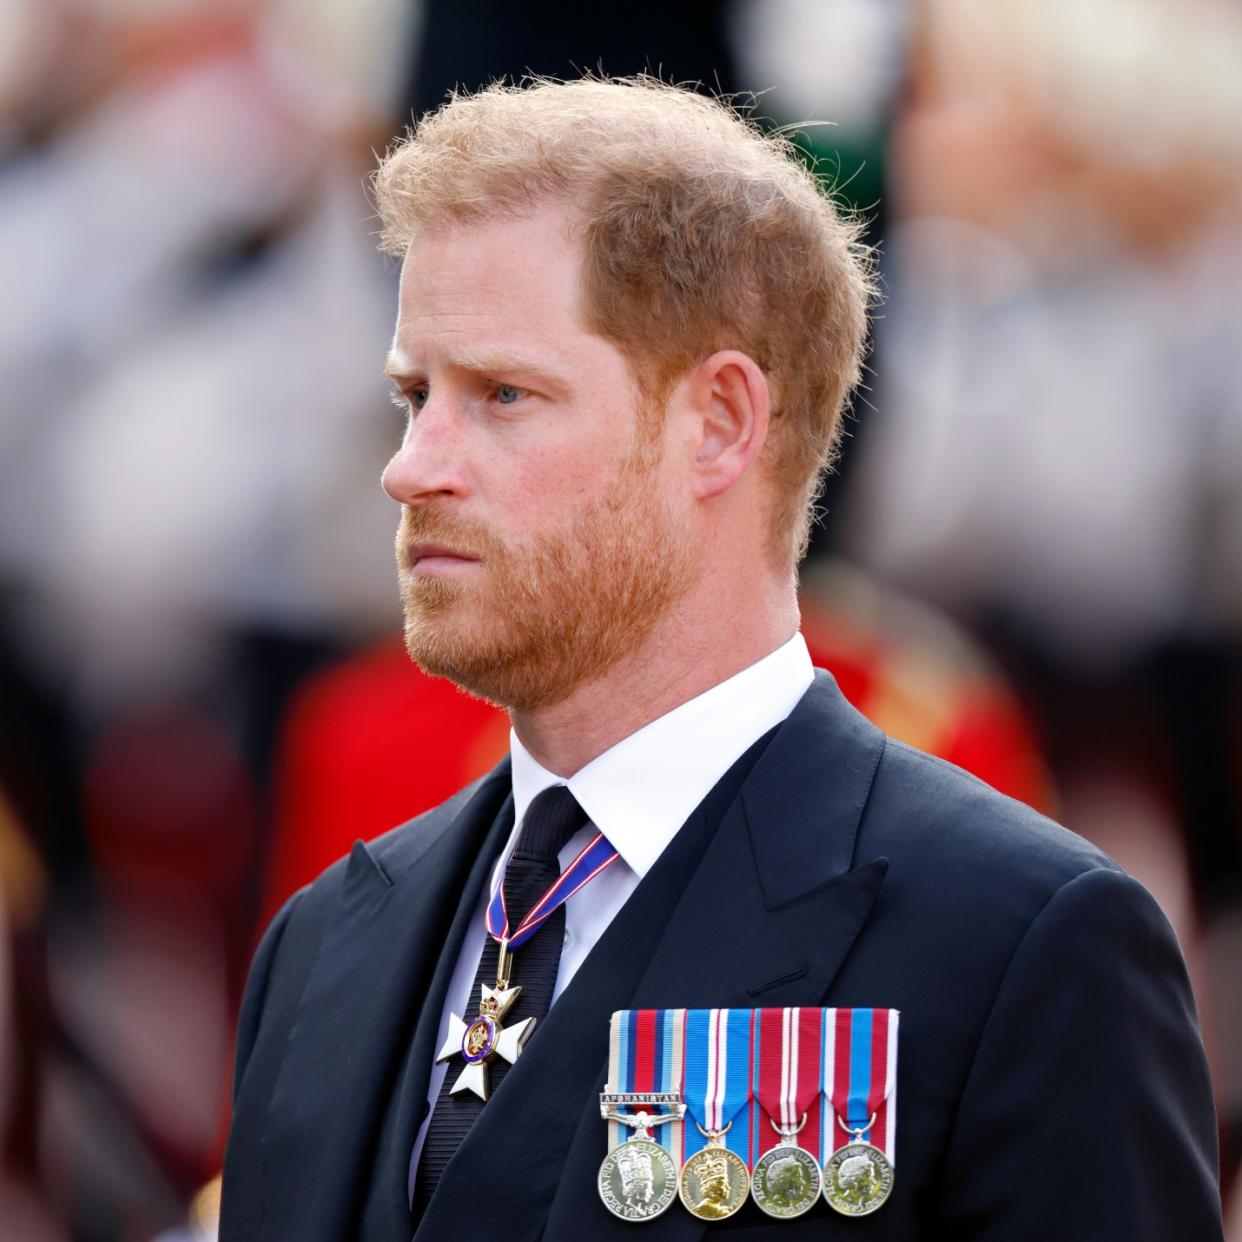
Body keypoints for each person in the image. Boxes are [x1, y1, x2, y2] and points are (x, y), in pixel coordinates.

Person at [219, 77, 1223, 1240]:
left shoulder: (1020, 944)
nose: (413, 466)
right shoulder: (327, 940)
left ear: (720, 425)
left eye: (502, 393)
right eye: (413, 395)